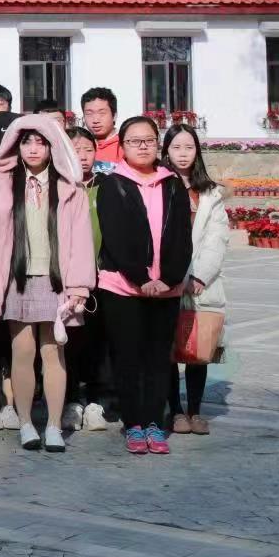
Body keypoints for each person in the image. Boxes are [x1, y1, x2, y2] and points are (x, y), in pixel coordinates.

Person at [0, 115, 96, 453]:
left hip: (56, 279)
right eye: (26, 142)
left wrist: (79, 286)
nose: (33, 149)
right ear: (15, 146)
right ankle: (25, 423)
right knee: (22, 351)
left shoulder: (69, 187)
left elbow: (81, 239)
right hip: (16, 278)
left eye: (40, 142)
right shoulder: (3, 182)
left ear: (52, 146)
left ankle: (53, 425)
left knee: (53, 351)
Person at [95, 115, 192, 455]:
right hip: (123, 287)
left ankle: (154, 422)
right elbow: (115, 237)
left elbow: (183, 237)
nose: (143, 146)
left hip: (166, 289)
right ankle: (133, 423)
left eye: (149, 140)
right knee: (128, 357)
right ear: (122, 146)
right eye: (135, 141)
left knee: (158, 358)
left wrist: (168, 278)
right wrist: (141, 278)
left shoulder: (173, 185)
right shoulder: (112, 185)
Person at [163, 123, 227, 435]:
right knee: (169, 350)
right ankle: (175, 410)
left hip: (203, 283)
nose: (183, 153)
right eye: (176, 147)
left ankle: (195, 410)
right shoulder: (159, 185)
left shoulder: (210, 193)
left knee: (198, 350)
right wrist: (175, 274)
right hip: (169, 281)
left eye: (189, 147)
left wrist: (200, 275)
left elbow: (218, 237)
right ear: (166, 151)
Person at [62, 125, 112, 432]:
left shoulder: (106, 186)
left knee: (97, 342)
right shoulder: (58, 186)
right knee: (68, 343)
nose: (82, 156)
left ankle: (95, 401)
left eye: (88, 150)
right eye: (75, 149)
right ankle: (70, 401)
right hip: (66, 280)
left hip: (101, 278)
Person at [81, 87, 122, 166]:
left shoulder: (126, 145)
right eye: (89, 113)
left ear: (114, 116)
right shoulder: (76, 146)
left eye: (102, 113)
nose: (95, 120)